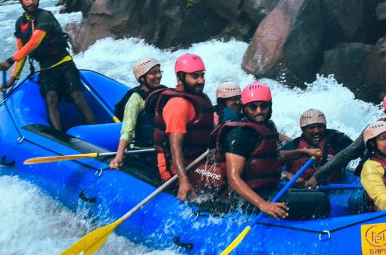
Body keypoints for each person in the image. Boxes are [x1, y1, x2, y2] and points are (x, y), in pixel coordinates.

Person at [212, 82, 330, 220]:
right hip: (248, 200)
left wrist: (303, 152)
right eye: (253, 107)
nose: (259, 111)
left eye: (263, 106)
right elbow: (233, 179)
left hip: (270, 191)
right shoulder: (238, 134)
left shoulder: (268, 126)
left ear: (270, 106)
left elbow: (272, 158)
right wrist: (263, 204)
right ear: (245, 107)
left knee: (314, 192)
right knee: (321, 201)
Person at [0, 0, 96, 131]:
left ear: (38, 0)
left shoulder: (44, 16)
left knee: (77, 98)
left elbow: (34, 41)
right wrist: (13, 78)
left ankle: (94, 132)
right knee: (51, 99)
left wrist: (11, 60)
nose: (31, 2)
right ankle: (59, 138)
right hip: (46, 69)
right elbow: (22, 50)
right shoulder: (20, 23)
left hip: (64, 64)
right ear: (21, 1)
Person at [147, 53, 219, 200]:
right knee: (224, 178)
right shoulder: (178, 105)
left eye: (202, 75)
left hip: (198, 160)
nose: (201, 80)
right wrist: (183, 181)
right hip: (178, 168)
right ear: (180, 79)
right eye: (195, 76)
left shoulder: (201, 99)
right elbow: (175, 147)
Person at [109, 57, 163, 170]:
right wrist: (119, 156)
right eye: (154, 73)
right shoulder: (135, 99)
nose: (159, 75)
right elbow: (127, 131)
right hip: (140, 153)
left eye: (159, 71)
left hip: (161, 150)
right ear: (142, 78)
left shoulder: (164, 93)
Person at [281, 109, 353, 185]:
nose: (316, 131)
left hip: (333, 190)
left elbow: (359, 150)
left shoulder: (338, 141)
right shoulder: (292, 146)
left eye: (320, 127)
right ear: (303, 129)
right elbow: (269, 166)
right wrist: (289, 175)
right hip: (299, 190)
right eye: (311, 128)